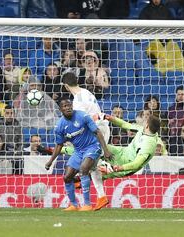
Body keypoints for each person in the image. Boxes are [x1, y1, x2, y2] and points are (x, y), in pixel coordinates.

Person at [45, 98, 112, 211]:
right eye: (65, 106)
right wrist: (50, 161)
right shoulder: (60, 126)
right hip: (78, 151)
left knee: (83, 170)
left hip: (92, 146)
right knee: (67, 176)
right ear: (60, 109)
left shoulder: (83, 116)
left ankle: (87, 204)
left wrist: (105, 150)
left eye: (69, 105)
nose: (68, 108)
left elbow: (97, 132)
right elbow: (59, 145)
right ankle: (74, 205)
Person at [62, 72, 111, 210]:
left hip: (96, 131)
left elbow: (82, 123)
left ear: (66, 86)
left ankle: (88, 179)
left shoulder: (77, 101)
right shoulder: (86, 92)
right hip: (102, 127)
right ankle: (100, 196)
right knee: (92, 164)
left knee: (90, 163)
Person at [98, 114, 161, 179]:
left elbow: (136, 164)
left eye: (145, 121)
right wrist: (111, 118)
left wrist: (116, 168)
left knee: (97, 174)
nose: (143, 121)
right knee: (97, 147)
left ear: (147, 125)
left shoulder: (148, 144)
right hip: (122, 152)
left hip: (126, 164)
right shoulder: (144, 129)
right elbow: (125, 124)